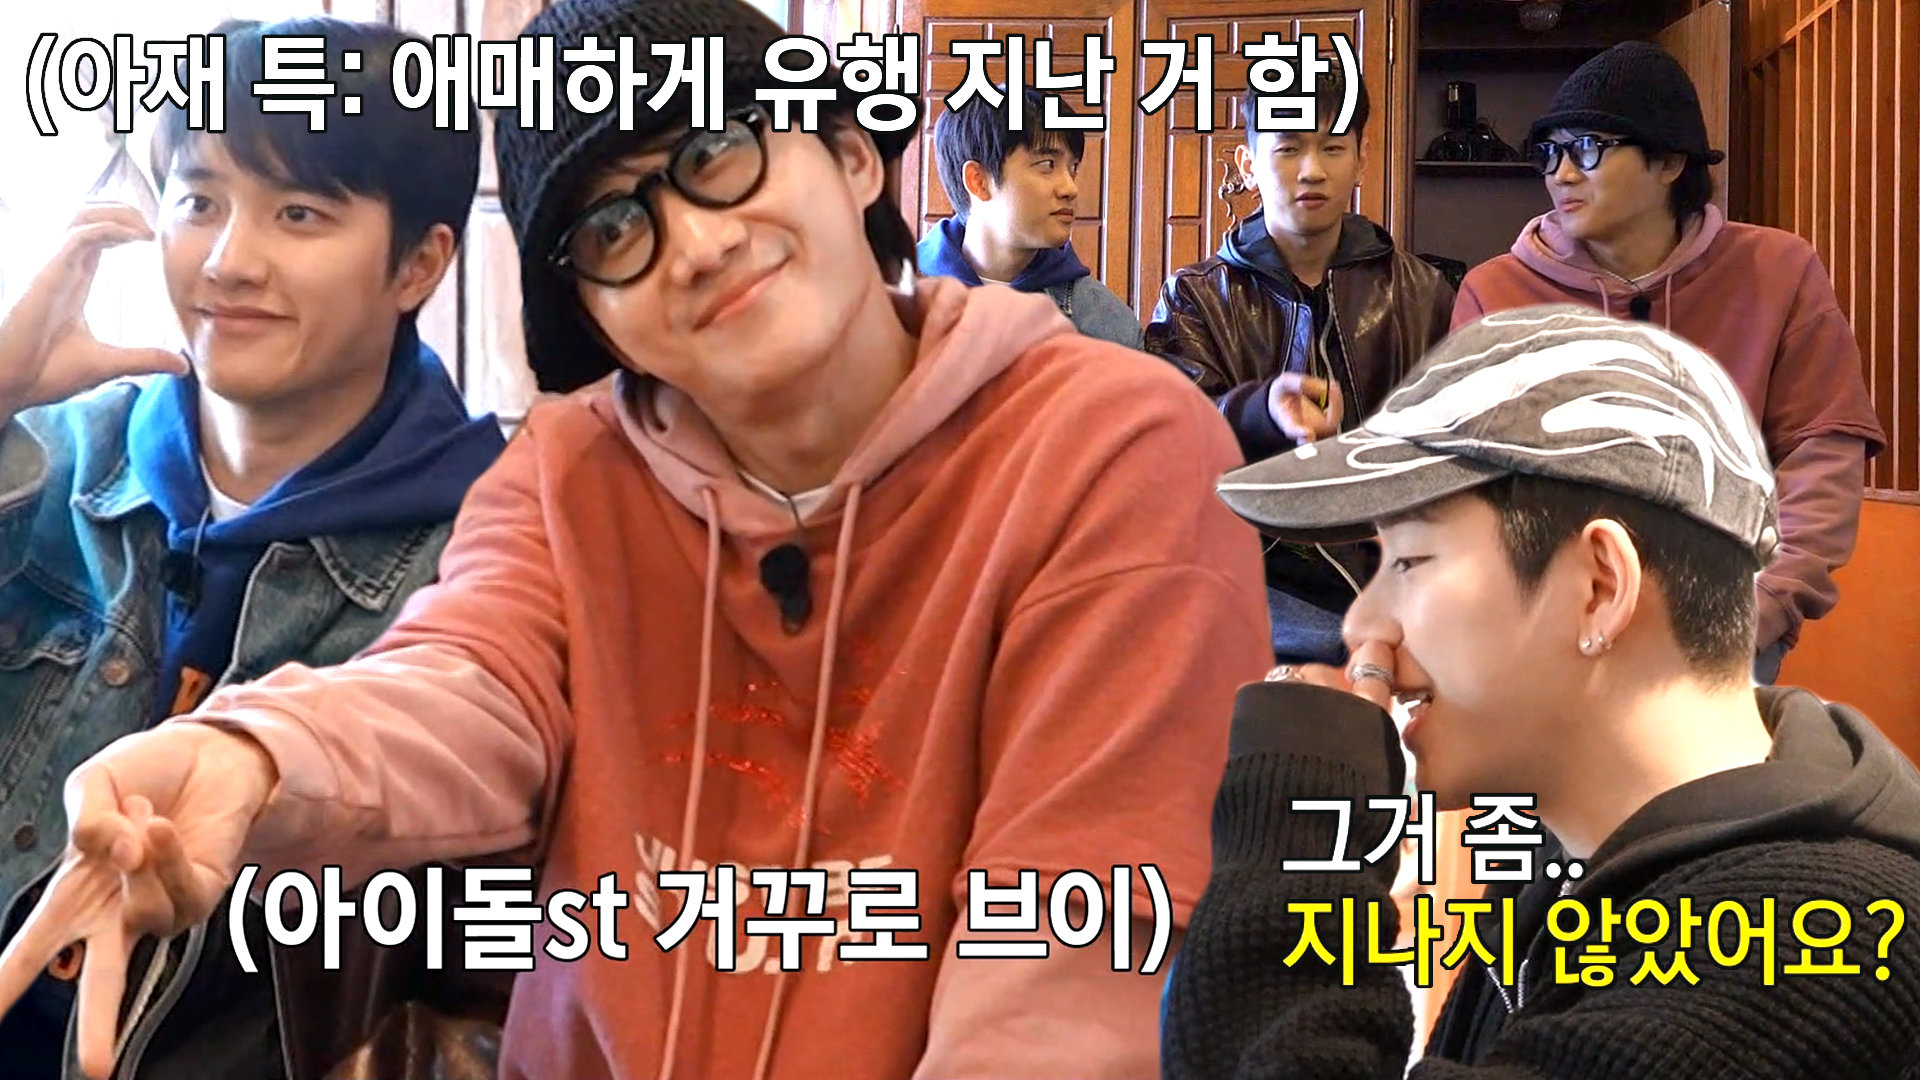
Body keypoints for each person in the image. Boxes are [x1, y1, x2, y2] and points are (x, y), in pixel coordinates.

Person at [0, 1, 1275, 1078]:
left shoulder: (1109, 444)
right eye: (613, 226)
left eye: (718, 150)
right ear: (593, 316)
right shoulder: (571, 467)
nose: (697, 244)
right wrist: (258, 750)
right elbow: (471, 679)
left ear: (851, 154)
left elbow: (1067, 949)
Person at [1161, 304, 1920, 1079]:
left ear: (1599, 588)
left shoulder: (1816, 944)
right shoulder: (1569, 863)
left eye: (1412, 562)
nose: (1362, 624)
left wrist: (1297, 839)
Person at [0, 16, 507, 1080]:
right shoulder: (50, 457)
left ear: (419, 264)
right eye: (199, 202)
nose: (230, 261)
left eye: (299, 213)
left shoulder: (484, 552)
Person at [1452, 42, 1886, 685]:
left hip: (1730, 625)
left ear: (1669, 161)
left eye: (1588, 148)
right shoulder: (1496, 291)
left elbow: (1822, 449)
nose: (1561, 174)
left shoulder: (1777, 271)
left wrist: (1766, 602)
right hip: (1556, 633)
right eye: (1550, 152)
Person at [1145, 67, 1454, 669]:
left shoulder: (1421, 293)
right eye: (1288, 149)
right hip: (1246, 578)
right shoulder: (1196, 296)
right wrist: (1259, 410)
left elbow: (1450, 454)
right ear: (1248, 162)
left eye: (1332, 148)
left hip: (1393, 576)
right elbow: (1168, 442)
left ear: (1361, 158)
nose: (1311, 170)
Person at [915, 85, 1143, 347]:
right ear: (978, 180)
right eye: (1047, 165)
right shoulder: (891, 300)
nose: (1070, 188)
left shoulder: (1107, 323)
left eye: (1073, 168)